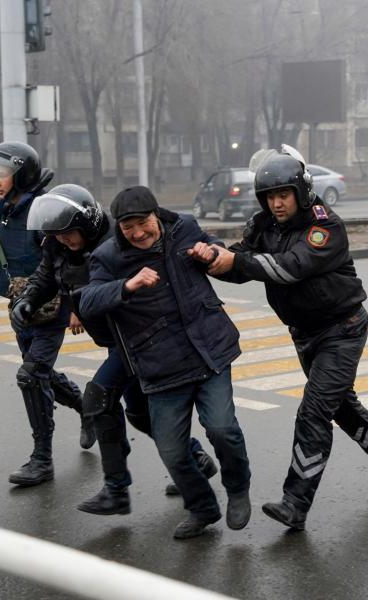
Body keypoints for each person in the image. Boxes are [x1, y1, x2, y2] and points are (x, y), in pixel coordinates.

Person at [201, 146, 368, 531]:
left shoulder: (324, 226)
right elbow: (239, 264)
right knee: (340, 407)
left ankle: (295, 502)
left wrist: (237, 261)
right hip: (304, 334)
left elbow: (290, 268)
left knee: (313, 412)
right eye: (269, 196)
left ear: (300, 191)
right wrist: (208, 258)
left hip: (342, 329)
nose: (276, 204)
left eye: (283, 195)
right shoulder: (263, 225)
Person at [12, 184, 218, 515]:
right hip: (115, 340)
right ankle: (196, 458)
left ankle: (116, 490)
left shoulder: (117, 243)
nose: (63, 240)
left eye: (68, 233)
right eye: (56, 234)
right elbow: (46, 276)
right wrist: (28, 300)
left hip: (141, 337)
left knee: (98, 398)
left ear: (88, 222)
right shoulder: (57, 246)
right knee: (139, 414)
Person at [78, 186, 252, 540]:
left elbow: (216, 248)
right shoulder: (108, 257)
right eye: (128, 228)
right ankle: (203, 507)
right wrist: (127, 285)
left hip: (208, 349)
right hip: (160, 364)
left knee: (222, 429)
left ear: (156, 215)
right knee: (171, 450)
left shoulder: (184, 227)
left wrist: (211, 251)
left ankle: (237, 489)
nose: (138, 233)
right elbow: (89, 300)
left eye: (142, 223)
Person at [0, 141, 95, 488]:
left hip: (52, 305)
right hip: (19, 304)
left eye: (2, 174)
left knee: (31, 376)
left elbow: (68, 258)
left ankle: (42, 460)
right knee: (40, 373)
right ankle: (86, 407)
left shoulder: (43, 210)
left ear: (22, 175)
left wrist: (77, 307)